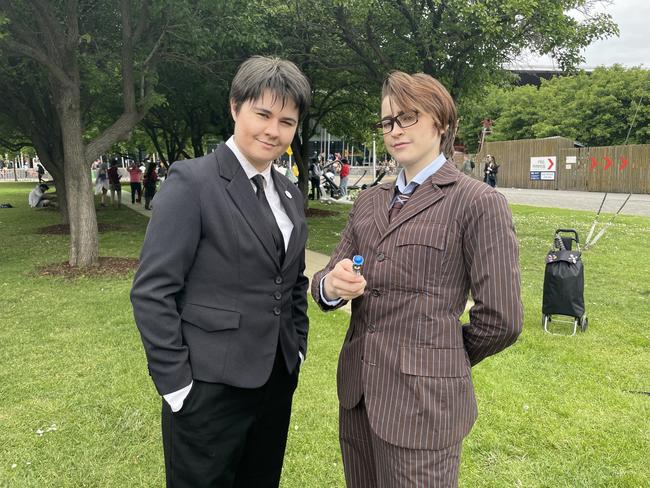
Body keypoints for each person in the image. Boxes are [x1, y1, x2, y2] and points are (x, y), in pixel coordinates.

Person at [311, 71, 523, 487]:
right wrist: (330, 287)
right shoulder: (370, 200)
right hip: (358, 398)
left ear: (441, 123)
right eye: (387, 122)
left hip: (424, 409)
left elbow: (502, 319)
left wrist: (442, 356)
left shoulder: (478, 202)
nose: (395, 130)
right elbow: (324, 278)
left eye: (407, 117)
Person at [130, 55, 311, 488]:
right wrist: (177, 387)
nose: (274, 130)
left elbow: (293, 280)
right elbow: (152, 291)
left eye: (286, 121)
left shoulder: (287, 191)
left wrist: (297, 347)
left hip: (274, 381)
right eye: (263, 114)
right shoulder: (192, 183)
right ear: (235, 107)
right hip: (208, 388)